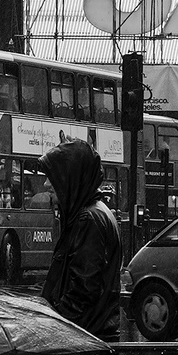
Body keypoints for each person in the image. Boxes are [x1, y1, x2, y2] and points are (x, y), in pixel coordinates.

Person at [38, 139, 121, 339]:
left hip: (84, 337)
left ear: (70, 177)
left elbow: (83, 291)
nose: (47, 184)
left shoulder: (88, 219)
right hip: (88, 333)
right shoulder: (93, 214)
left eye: (53, 177)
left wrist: (49, 326)